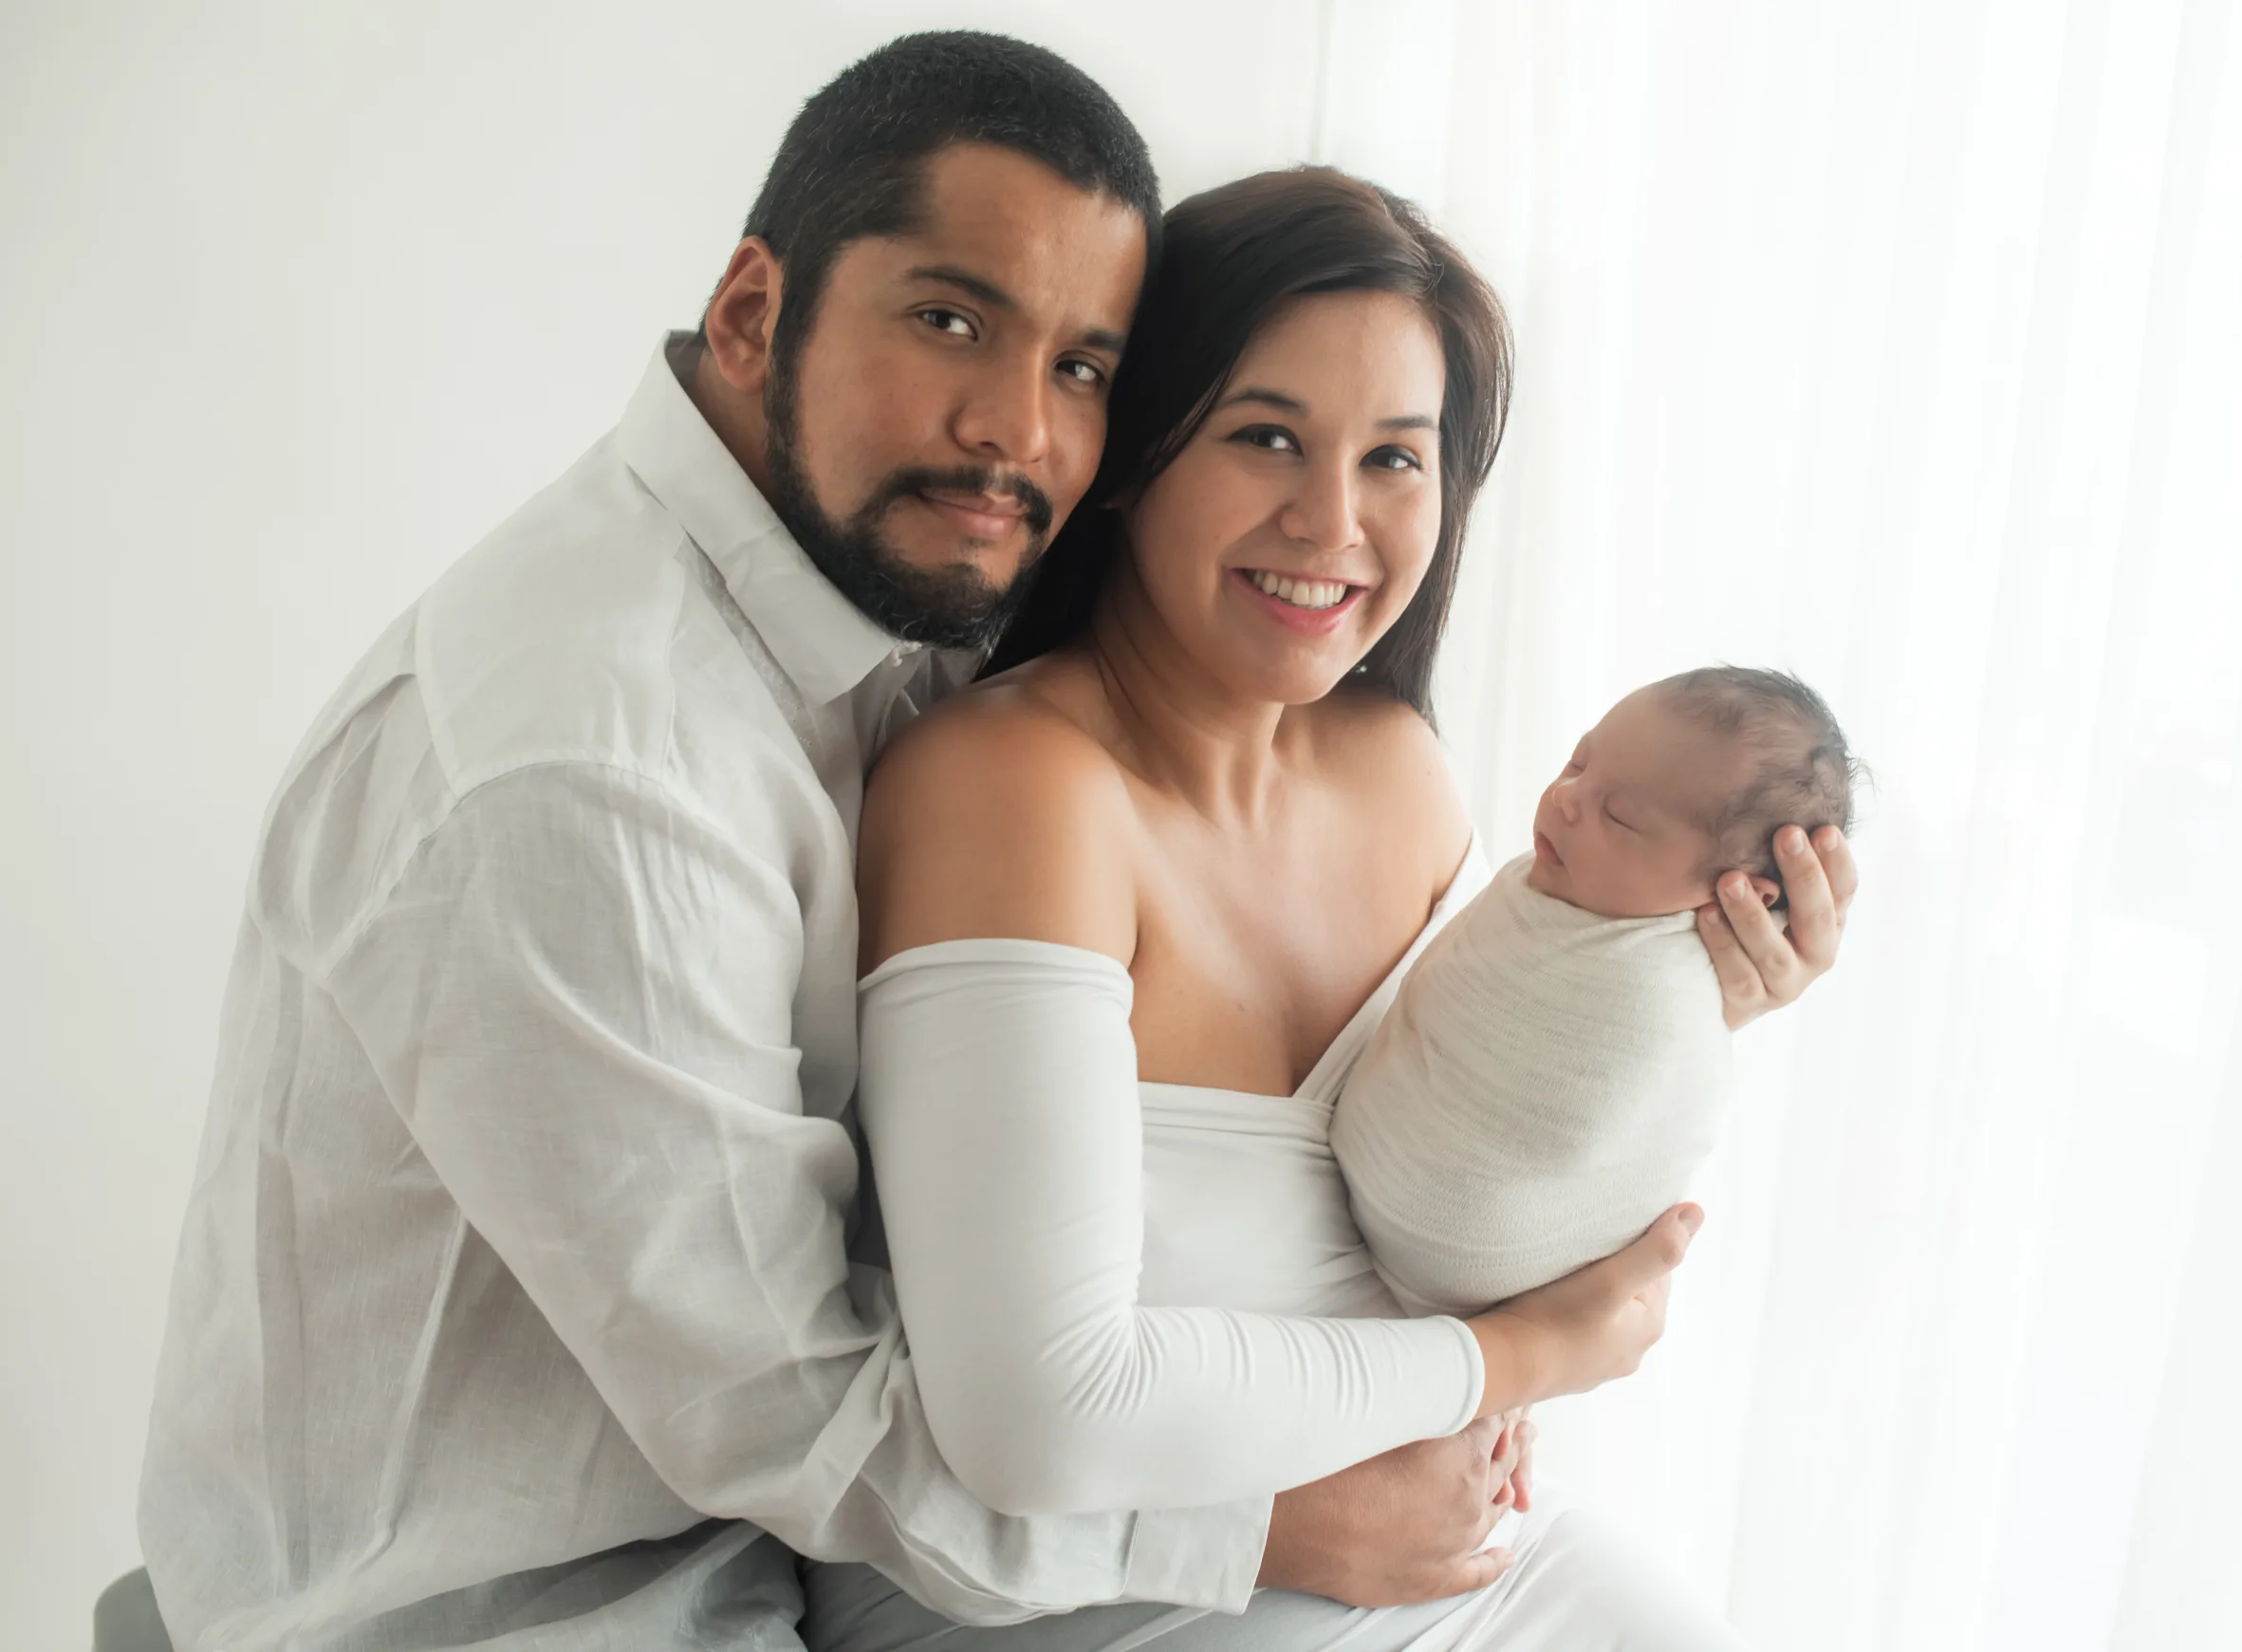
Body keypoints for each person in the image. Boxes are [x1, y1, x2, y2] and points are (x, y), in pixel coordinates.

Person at [133, 34, 1649, 1650]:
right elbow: (788, 1410)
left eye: (1080, 368)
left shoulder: (896, 612)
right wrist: (1274, 1516)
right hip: (528, 1604)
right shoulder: (592, 763)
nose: (1018, 430)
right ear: (748, 314)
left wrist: (1651, 945)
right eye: (951, 321)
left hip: (772, 1546)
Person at [820, 168, 1858, 1649]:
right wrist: (1515, 1357)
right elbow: (1041, 1419)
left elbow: (1453, 1186)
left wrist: (1681, 994)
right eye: (1264, 438)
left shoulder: (1398, 772)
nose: (1332, 521)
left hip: (1432, 1554)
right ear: (1131, 452)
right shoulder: (1018, 789)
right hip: (1087, 1587)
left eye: (1395, 459)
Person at [1334, 668, 1861, 1317]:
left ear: (1744, 892)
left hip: (1472, 1284)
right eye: (1579, 761)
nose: (1564, 798)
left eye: (1620, 816)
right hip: (1389, 1231)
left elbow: (1613, 1129)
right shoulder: (1554, 883)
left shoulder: (1667, 997)